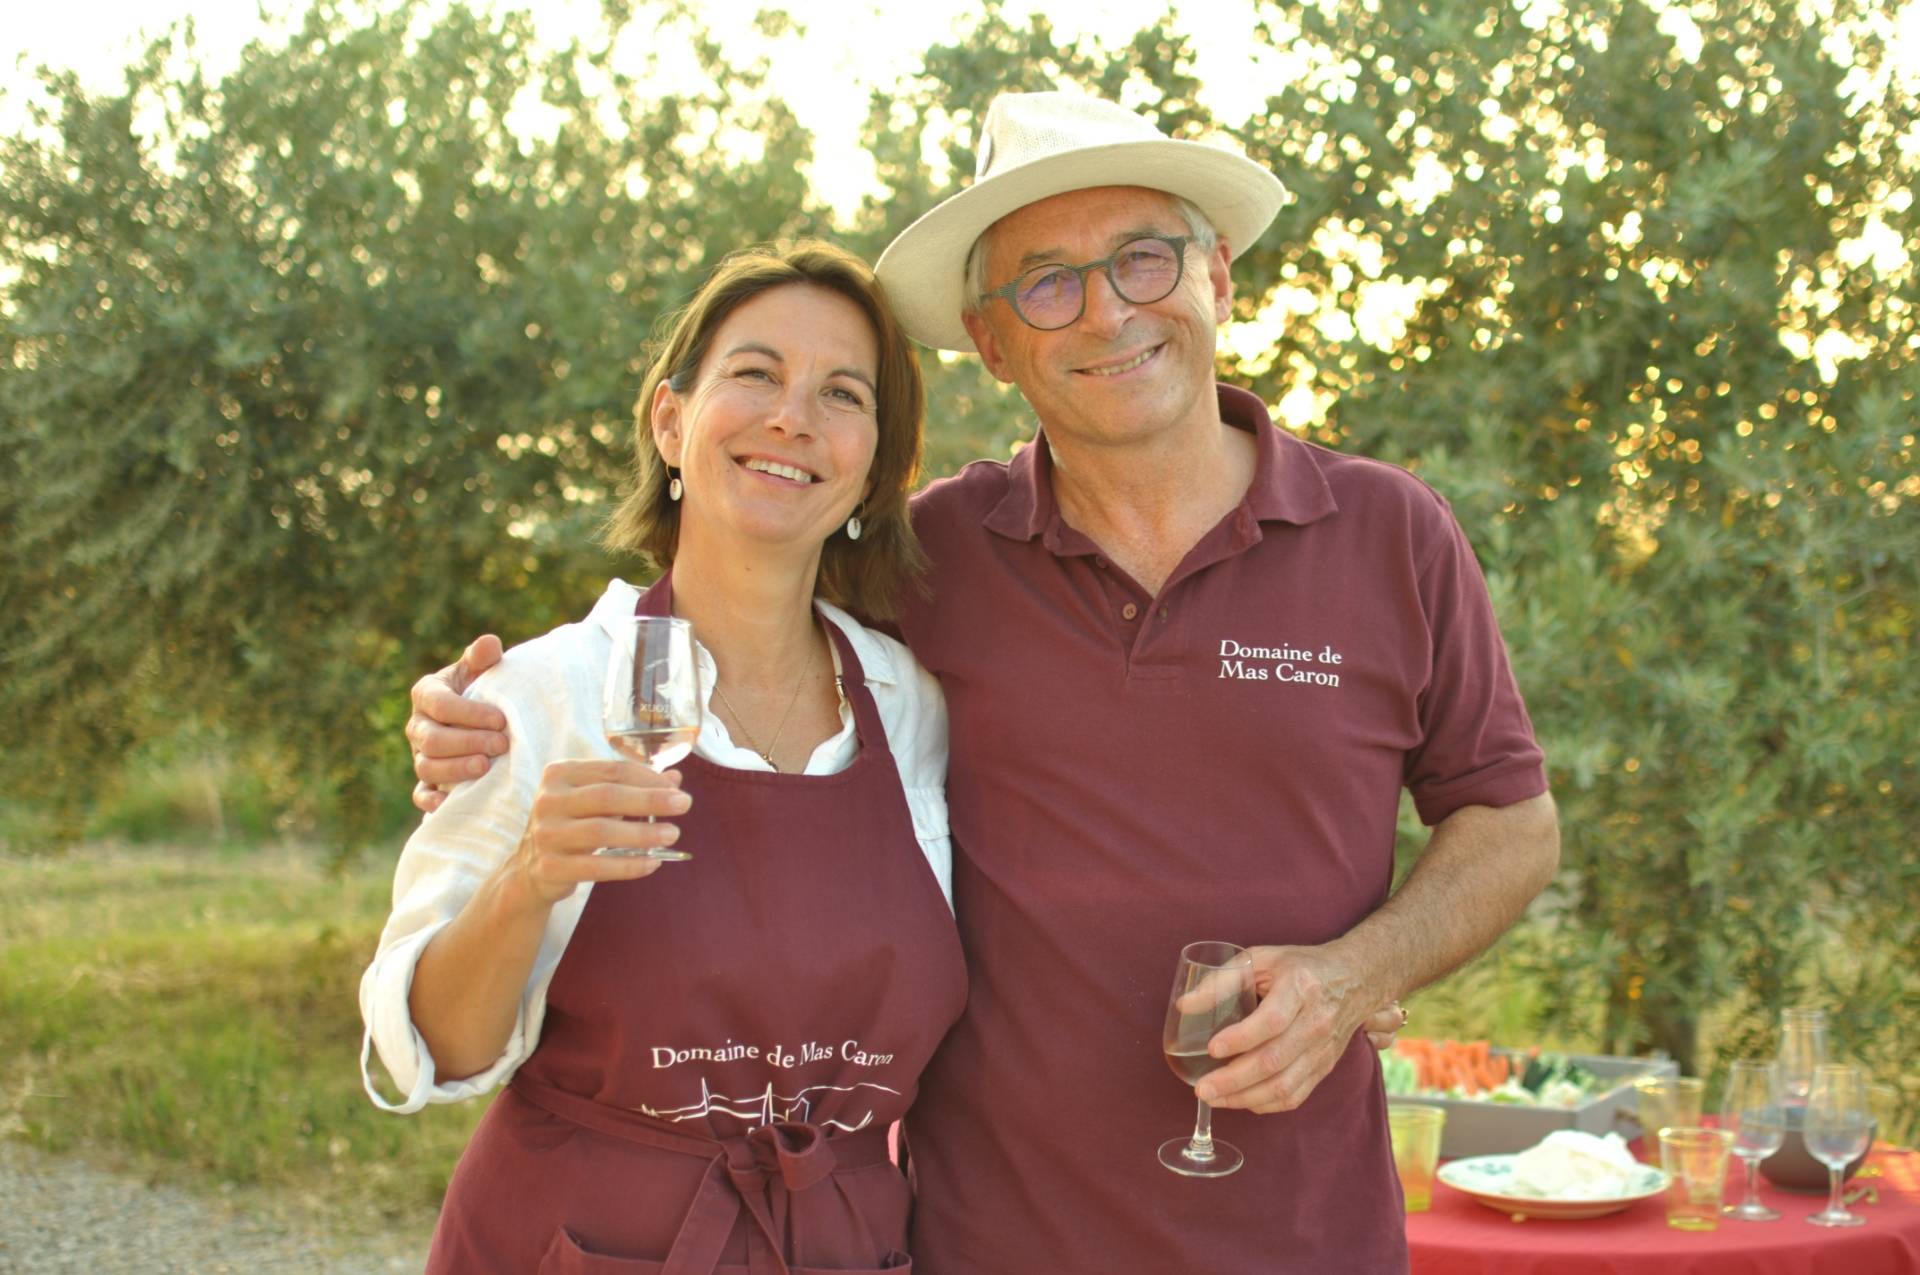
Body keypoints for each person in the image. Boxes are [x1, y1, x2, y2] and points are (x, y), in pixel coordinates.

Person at [407, 93, 1559, 1274]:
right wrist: (487, 720)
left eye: (1142, 259)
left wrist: (1360, 972)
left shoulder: (1391, 533)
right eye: (1047, 282)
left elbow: (1512, 818)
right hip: (988, 1241)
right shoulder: (931, 560)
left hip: (1310, 1236)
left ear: (1219, 277)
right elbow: (736, 600)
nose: (1107, 309)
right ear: (995, 342)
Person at [359, 241, 968, 1273]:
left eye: (842, 393)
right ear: (670, 421)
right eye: (755, 374)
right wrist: (527, 882)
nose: (794, 417)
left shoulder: (919, 707)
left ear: (875, 465)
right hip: (577, 1242)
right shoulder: (542, 698)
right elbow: (435, 1049)